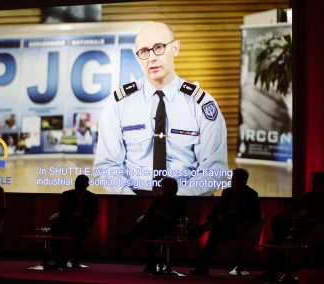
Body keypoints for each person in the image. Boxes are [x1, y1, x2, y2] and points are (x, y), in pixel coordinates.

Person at [94, 21, 228, 196]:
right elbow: (107, 165)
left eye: (159, 47)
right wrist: (130, 200)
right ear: (137, 57)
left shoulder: (201, 105)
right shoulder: (118, 103)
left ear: (175, 48)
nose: (152, 58)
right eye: (144, 52)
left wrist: (178, 202)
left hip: (186, 200)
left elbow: (215, 169)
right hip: (134, 199)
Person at [190, 168, 261, 276]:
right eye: (233, 179)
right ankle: (202, 266)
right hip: (225, 227)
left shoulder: (251, 194)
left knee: (217, 227)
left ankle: (200, 231)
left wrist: (246, 224)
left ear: (244, 181)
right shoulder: (227, 192)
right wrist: (209, 220)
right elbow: (218, 210)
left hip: (239, 228)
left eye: (236, 179)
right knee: (216, 229)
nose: (233, 182)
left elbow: (256, 216)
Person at [257, 171, 324, 282]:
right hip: (297, 225)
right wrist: (295, 218)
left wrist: (305, 221)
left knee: (282, 239)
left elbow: (320, 219)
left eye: (316, 181)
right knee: (278, 221)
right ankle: (273, 269)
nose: (313, 183)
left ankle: (280, 246)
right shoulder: (307, 196)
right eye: (312, 181)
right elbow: (294, 211)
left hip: (314, 230)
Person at [121, 177, 186, 274]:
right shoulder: (158, 199)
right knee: (148, 229)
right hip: (155, 226)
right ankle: (151, 261)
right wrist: (152, 215)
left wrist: (162, 215)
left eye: (165, 186)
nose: (163, 188)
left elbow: (181, 217)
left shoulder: (178, 201)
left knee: (149, 221)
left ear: (172, 188)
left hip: (171, 226)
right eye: (162, 186)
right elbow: (149, 212)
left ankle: (128, 238)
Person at [48, 175, 99, 269]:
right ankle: (60, 258)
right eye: (76, 182)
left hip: (83, 223)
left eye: (81, 182)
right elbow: (62, 210)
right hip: (68, 221)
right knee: (54, 228)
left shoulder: (92, 197)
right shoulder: (66, 194)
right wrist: (72, 215)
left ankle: (75, 260)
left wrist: (85, 219)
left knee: (79, 231)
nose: (77, 184)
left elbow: (94, 214)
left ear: (87, 185)